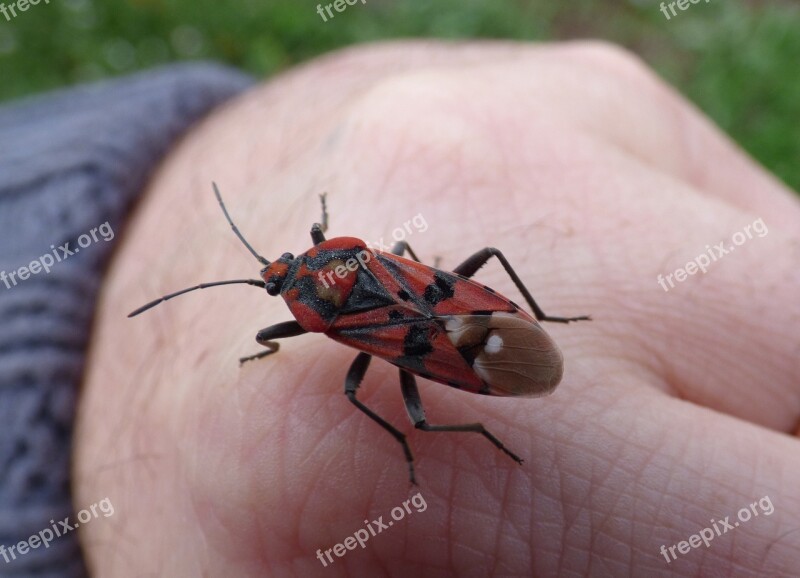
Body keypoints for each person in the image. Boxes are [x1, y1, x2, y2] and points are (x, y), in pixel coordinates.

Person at [33, 41, 800, 576]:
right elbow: (338, 250)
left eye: (284, 278)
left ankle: (537, 339)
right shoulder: (344, 258)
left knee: (419, 419)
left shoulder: (325, 308)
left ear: (308, 272)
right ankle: (544, 328)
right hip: (437, 303)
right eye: (280, 285)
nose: (284, 275)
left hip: (420, 337)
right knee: (477, 279)